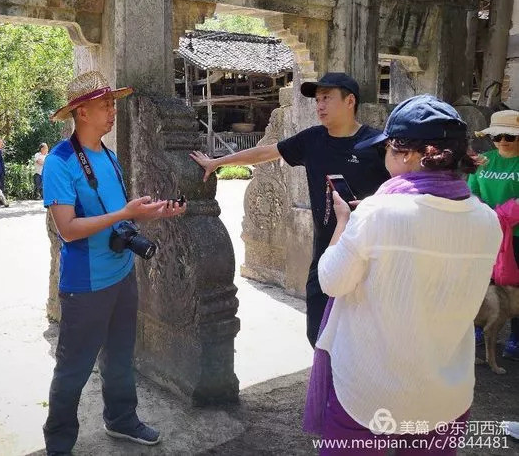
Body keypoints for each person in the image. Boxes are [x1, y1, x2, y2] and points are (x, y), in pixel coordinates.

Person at [304, 95, 502, 454]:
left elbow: (332, 280)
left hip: (369, 392)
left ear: (409, 154)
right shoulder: (487, 220)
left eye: (388, 149)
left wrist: (346, 223)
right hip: (445, 393)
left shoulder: (379, 212)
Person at [42, 71, 186, 455]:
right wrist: (124, 210)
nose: (112, 111)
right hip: (85, 284)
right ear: (81, 112)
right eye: (105, 104)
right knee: (73, 369)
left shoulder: (109, 156)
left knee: (121, 357)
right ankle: (58, 443)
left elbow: (120, 219)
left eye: (112, 103)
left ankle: (122, 421)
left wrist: (153, 213)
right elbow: (68, 229)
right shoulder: (59, 163)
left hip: (122, 274)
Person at [190, 72, 390, 346]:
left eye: (326, 98)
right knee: (318, 335)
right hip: (326, 253)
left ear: (350, 101)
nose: (319, 105)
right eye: (317, 100)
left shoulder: (378, 144)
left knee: (361, 337)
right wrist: (218, 162)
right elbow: (265, 153)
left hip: (369, 255)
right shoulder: (313, 140)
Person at [469, 110, 519, 358]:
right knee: (482, 282)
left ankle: (516, 337)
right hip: (486, 231)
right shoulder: (483, 161)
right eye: (497, 136)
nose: (502, 141)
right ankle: (478, 327)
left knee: (515, 288)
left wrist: (508, 214)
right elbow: (472, 192)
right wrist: (487, 212)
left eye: (509, 137)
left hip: (517, 235)